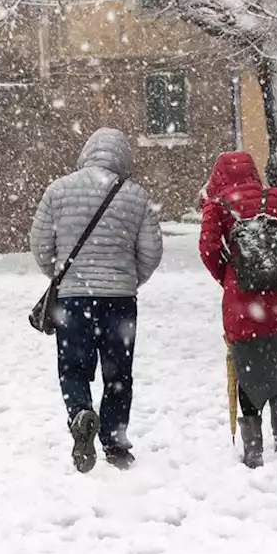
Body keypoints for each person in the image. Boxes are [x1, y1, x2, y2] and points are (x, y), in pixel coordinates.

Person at [30, 128, 164, 473]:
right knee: (119, 372)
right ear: (123, 159)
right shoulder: (136, 196)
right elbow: (151, 252)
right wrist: (130, 279)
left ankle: (80, 412)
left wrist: (60, 275)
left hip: (73, 300)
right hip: (120, 300)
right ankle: (115, 440)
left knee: (73, 366)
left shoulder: (57, 191)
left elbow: (40, 244)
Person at [199, 151, 277, 468]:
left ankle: (253, 447)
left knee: (246, 368)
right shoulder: (275, 198)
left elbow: (208, 249)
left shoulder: (217, 206)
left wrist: (228, 276)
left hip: (241, 302)